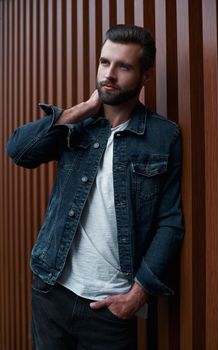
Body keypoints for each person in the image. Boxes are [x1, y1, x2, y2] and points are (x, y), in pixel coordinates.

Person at [6, 24, 184, 350]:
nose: (109, 74)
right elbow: (19, 151)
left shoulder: (163, 137)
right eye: (105, 62)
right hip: (52, 290)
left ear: (145, 75)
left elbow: (170, 222)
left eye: (123, 66)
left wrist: (137, 295)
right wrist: (81, 110)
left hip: (109, 308)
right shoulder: (80, 124)